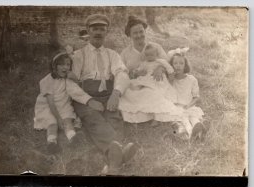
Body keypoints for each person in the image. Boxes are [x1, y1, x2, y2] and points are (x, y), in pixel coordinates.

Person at [69, 14, 138, 174]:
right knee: (94, 119)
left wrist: (116, 93)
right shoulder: (79, 55)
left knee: (114, 119)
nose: (98, 32)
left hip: (108, 93)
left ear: (106, 32)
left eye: (102, 29)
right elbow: (71, 83)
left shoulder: (112, 54)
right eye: (94, 29)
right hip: (86, 96)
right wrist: (87, 100)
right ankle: (118, 157)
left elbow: (122, 73)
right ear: (88, 31)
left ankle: (113, 160)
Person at [34, 52, 104, 154]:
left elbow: (77, 92)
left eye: (67, 64)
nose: (65, 67)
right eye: (61, 64)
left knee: (67, 121)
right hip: (48, 106)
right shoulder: (47, 80)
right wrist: (58, 118)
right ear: (54, 66)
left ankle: (73, 138)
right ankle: (52, 142)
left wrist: (89, 100)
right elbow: (50, 102)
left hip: (63, 105)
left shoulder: (67, 80)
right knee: (52, 123)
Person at [120, 15, 170, 123]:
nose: (139, 35)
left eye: (141, 31)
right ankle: (145, 115)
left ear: (145, 31)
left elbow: (166, 61)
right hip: (136, 84)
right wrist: (133, 74)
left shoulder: (155, 46)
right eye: (135, 33)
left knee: (152, 93)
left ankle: (150, 114)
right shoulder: (125, 53)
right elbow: (122, 73)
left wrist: (160, 68)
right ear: (129, 35)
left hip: (154, 82)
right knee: (127, 94)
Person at [118, 43, 182, 124]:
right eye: (147, 55)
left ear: (156, 54)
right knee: (130, 88)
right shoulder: (144, 63)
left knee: (151, 92)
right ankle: (135, 113)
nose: (150, 57)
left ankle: (157, 116)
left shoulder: (161, 61)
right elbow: (138, 70)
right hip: (146, 80)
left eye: (152, 55)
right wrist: (138, 72)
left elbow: (169, 68)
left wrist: (171, 77)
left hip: (157, 81)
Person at [168, 50, 208, 141]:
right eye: (175, 63)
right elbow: (167, 94)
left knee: (194, 117)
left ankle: (200, 129)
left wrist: (189, 105)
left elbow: (196, 97)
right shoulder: (171, 81)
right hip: (176, 108)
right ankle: (191, 134)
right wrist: (170, 80)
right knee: (184, 120)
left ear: (185, 65)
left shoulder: (191, 79)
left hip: (189, 105)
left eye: (181, 63)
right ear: (171, 65)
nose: (178, 66)